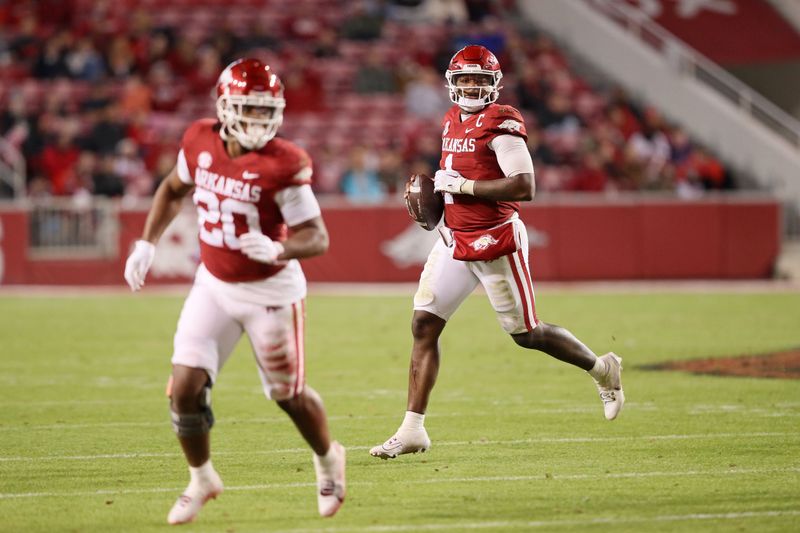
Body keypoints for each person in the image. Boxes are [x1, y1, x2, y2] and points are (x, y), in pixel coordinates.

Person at [370, 45, 625, 460]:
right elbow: (454, 177)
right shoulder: (451, 118)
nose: (472, 86)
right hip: (454, 240)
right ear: (452, 83)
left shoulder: (501, 123)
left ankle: (602, 369)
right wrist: (437, 201)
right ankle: (412, 429)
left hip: (494, 241)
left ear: (494, 84)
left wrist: (464, 189)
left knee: (527, 334)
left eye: (480, 79)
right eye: (465, 79)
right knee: (423, 325)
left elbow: (524, 186)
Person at [123, 58, 346, 524]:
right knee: (184, 388)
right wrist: (147, 242)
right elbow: (171, 188)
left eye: (267, 111)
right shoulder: (199, 140)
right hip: (214, 283)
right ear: (224, 106)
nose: (258, 121)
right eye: (248, 109)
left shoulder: (284, 163)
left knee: (289, 395)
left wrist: (277, 248)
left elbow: (318, 237)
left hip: (271, 291)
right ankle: (201, 478)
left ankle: (328, 458)